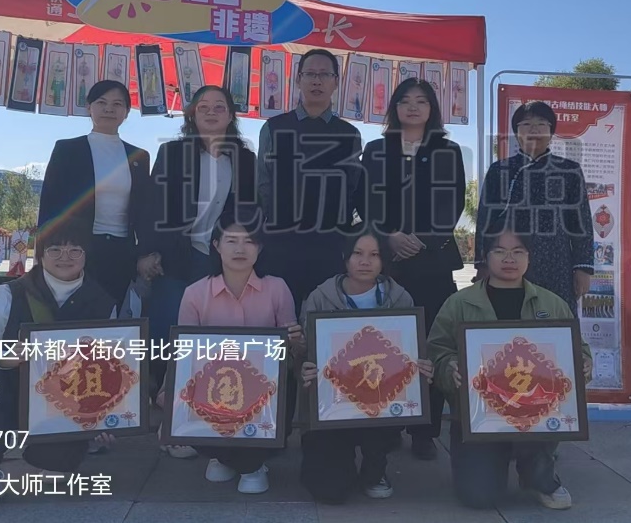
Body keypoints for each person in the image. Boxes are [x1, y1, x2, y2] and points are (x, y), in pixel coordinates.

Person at [0, 221, 118, 512]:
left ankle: (71, 447)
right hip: (12, 390)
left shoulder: (103, 302)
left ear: (86, 255)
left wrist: (107, 418)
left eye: (75, 250)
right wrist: (4, 358)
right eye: (55, 250)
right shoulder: (10, 293)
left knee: (58, 462)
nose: (65, 257)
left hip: (67, 402)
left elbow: (113, 366)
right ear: (40, 254)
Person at [427, 227, 593, 510]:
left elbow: (578, 349)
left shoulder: (551, 304)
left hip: (535, 414)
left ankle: (537, 473)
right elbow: (436, 349)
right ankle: (489, 461)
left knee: (538, 416)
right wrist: (449, 367)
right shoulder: (459, 304)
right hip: (477, 417)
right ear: (485, 256)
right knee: (479, 497)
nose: (509, 259)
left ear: (529, 257)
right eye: (500, 251)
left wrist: (583, 365)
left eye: (518, 251)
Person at [139, 85, 256, 460]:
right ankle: (168, 416)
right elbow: (154, 206)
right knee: (168, 333)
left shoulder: (244, 158)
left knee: (206, 339)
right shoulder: (173, 153)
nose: (210, 112)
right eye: (203, 106)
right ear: (191, 114)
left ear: (231, 115)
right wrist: (148, 252)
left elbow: (248, 210)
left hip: (216, 258)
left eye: (219, 106)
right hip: (176, 255)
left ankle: (200, 412)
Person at [360, 78, 464, 459]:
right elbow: (364, 201)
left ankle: (425, 431)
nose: (413, 107)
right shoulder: (376, 150)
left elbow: (453, 203)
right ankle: (386, 425)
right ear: (395, 108)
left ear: (432, 108)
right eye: (405, 101)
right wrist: (388, 237)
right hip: (385, 262)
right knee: (386, 345)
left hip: (431, 261)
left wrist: (419, 239)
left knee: (430, 343)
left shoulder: (448, 151)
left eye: (422, 101)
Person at [167, 208, 304, 494]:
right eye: (231, 240)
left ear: (260, 248)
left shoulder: (277, 288)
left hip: (264, 393)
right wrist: (169, 398)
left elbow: (291, 356)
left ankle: (252, 464)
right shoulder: (195, 293)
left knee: (276, 399)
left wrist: (295, 341)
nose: (240, 249)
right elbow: (184, 356)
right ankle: (221, 455)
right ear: (216, 246)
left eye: (249, 241)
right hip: (214, 390)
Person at [295, 231, 434, 503]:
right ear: (345, 258)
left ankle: (375, 469)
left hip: (379, 399)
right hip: (332, 403)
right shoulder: (320, 297)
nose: (365, 261)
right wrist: (303, 367)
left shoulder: (399, 298)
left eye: (374, 255)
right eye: (358, 253)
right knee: (330, 491)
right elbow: (305, 353)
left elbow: (411, 351)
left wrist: (421, 369)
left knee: (385, 405)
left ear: (384, 260)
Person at [256, 48, 364, 314]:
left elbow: (352, 189)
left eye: (324, 75)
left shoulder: (349, 134)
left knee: (326, 324)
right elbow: (263, 185)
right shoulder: (274, 127)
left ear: (336, 82)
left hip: (330, 245)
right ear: (298, 80)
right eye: (310, 74)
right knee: (281, 323)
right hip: (281, 244)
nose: (317, 81)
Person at [38, 80, 151, 310]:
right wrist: (45, 250)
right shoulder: (68, 150)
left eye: (117, 104)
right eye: (102, 102)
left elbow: (144, 210)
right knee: (74, 313)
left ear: (126, 112)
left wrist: (145, 252)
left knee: (111, 314)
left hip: (121, 250)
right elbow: (49, 202)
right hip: (78, 248)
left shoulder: (139, 156)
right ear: (89, 107)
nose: (109, 109)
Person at [474, 101, 595, 312]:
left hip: (556, 263)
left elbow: (581, 222)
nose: (534, 129)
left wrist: (582, 268)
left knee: (557, 320)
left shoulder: (569, 170)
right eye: (527, 124)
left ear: (551, 132)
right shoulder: (499, 170)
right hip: (508, 262)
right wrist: (482, 264)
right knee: (509, 317)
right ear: (516, 132)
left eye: (541, 124)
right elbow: (485, 219)